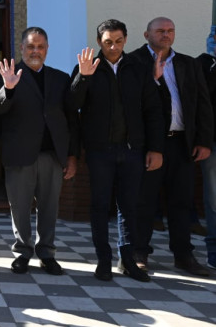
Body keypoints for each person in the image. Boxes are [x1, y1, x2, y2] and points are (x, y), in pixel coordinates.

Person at [70, 19, 164, 282]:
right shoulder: (89, 67)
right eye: (108, 42)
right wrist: (83, 77)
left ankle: (128, 260)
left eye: (119, 41)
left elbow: (153, 111)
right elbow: (72, 105)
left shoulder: (138, 68)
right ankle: (103, 259)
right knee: (100, 206)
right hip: (100, 152)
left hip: (132, 150)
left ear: (126, 40)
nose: (113, 46)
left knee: (129, 207)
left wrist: (155, 149)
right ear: (99, 41)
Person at [0, 27, 79, 276]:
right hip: (19, 155)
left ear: (47, 49)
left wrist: (72, 156)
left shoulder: (60, 79)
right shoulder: (7, 75)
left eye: (40, 46)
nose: (35, 51)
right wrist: (8, 89)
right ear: (21, 48)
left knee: (50, 208)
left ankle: (47, 253)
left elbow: (71, 120)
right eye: (30, 46)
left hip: (52, 155)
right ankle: (22, 252)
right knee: (19, 207)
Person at [129, 17, 213, 277]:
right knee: (144, 201)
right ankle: (139, 253)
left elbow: (202, 104)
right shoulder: (134, 62)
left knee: (182, 201)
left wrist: (203, 141)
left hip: (182, 144)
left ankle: (183, 255)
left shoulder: (188, 63)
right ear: (146, 34)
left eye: (170, 31)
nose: (166, 35)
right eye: (160, 31)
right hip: (151, 146)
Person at [198, 28, 216, 270]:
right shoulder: (204, 65)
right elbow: (201, 102)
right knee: (214, 199)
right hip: (212, 143)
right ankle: (214, 249)